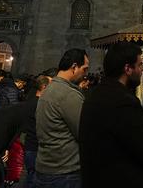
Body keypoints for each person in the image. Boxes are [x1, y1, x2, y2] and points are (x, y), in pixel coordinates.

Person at [79, 42, 143, 188]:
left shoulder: (95, 95)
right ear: (127, 69)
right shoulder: (123, 102)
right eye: (140, 65)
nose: (142, 70)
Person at [35, 48, 88, 187]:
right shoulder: (67, 94)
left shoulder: (50, 89)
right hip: (64, 172)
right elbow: (84, 132)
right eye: (84, 69)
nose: (85, 75)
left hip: (47, 167)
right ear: (74, 67)